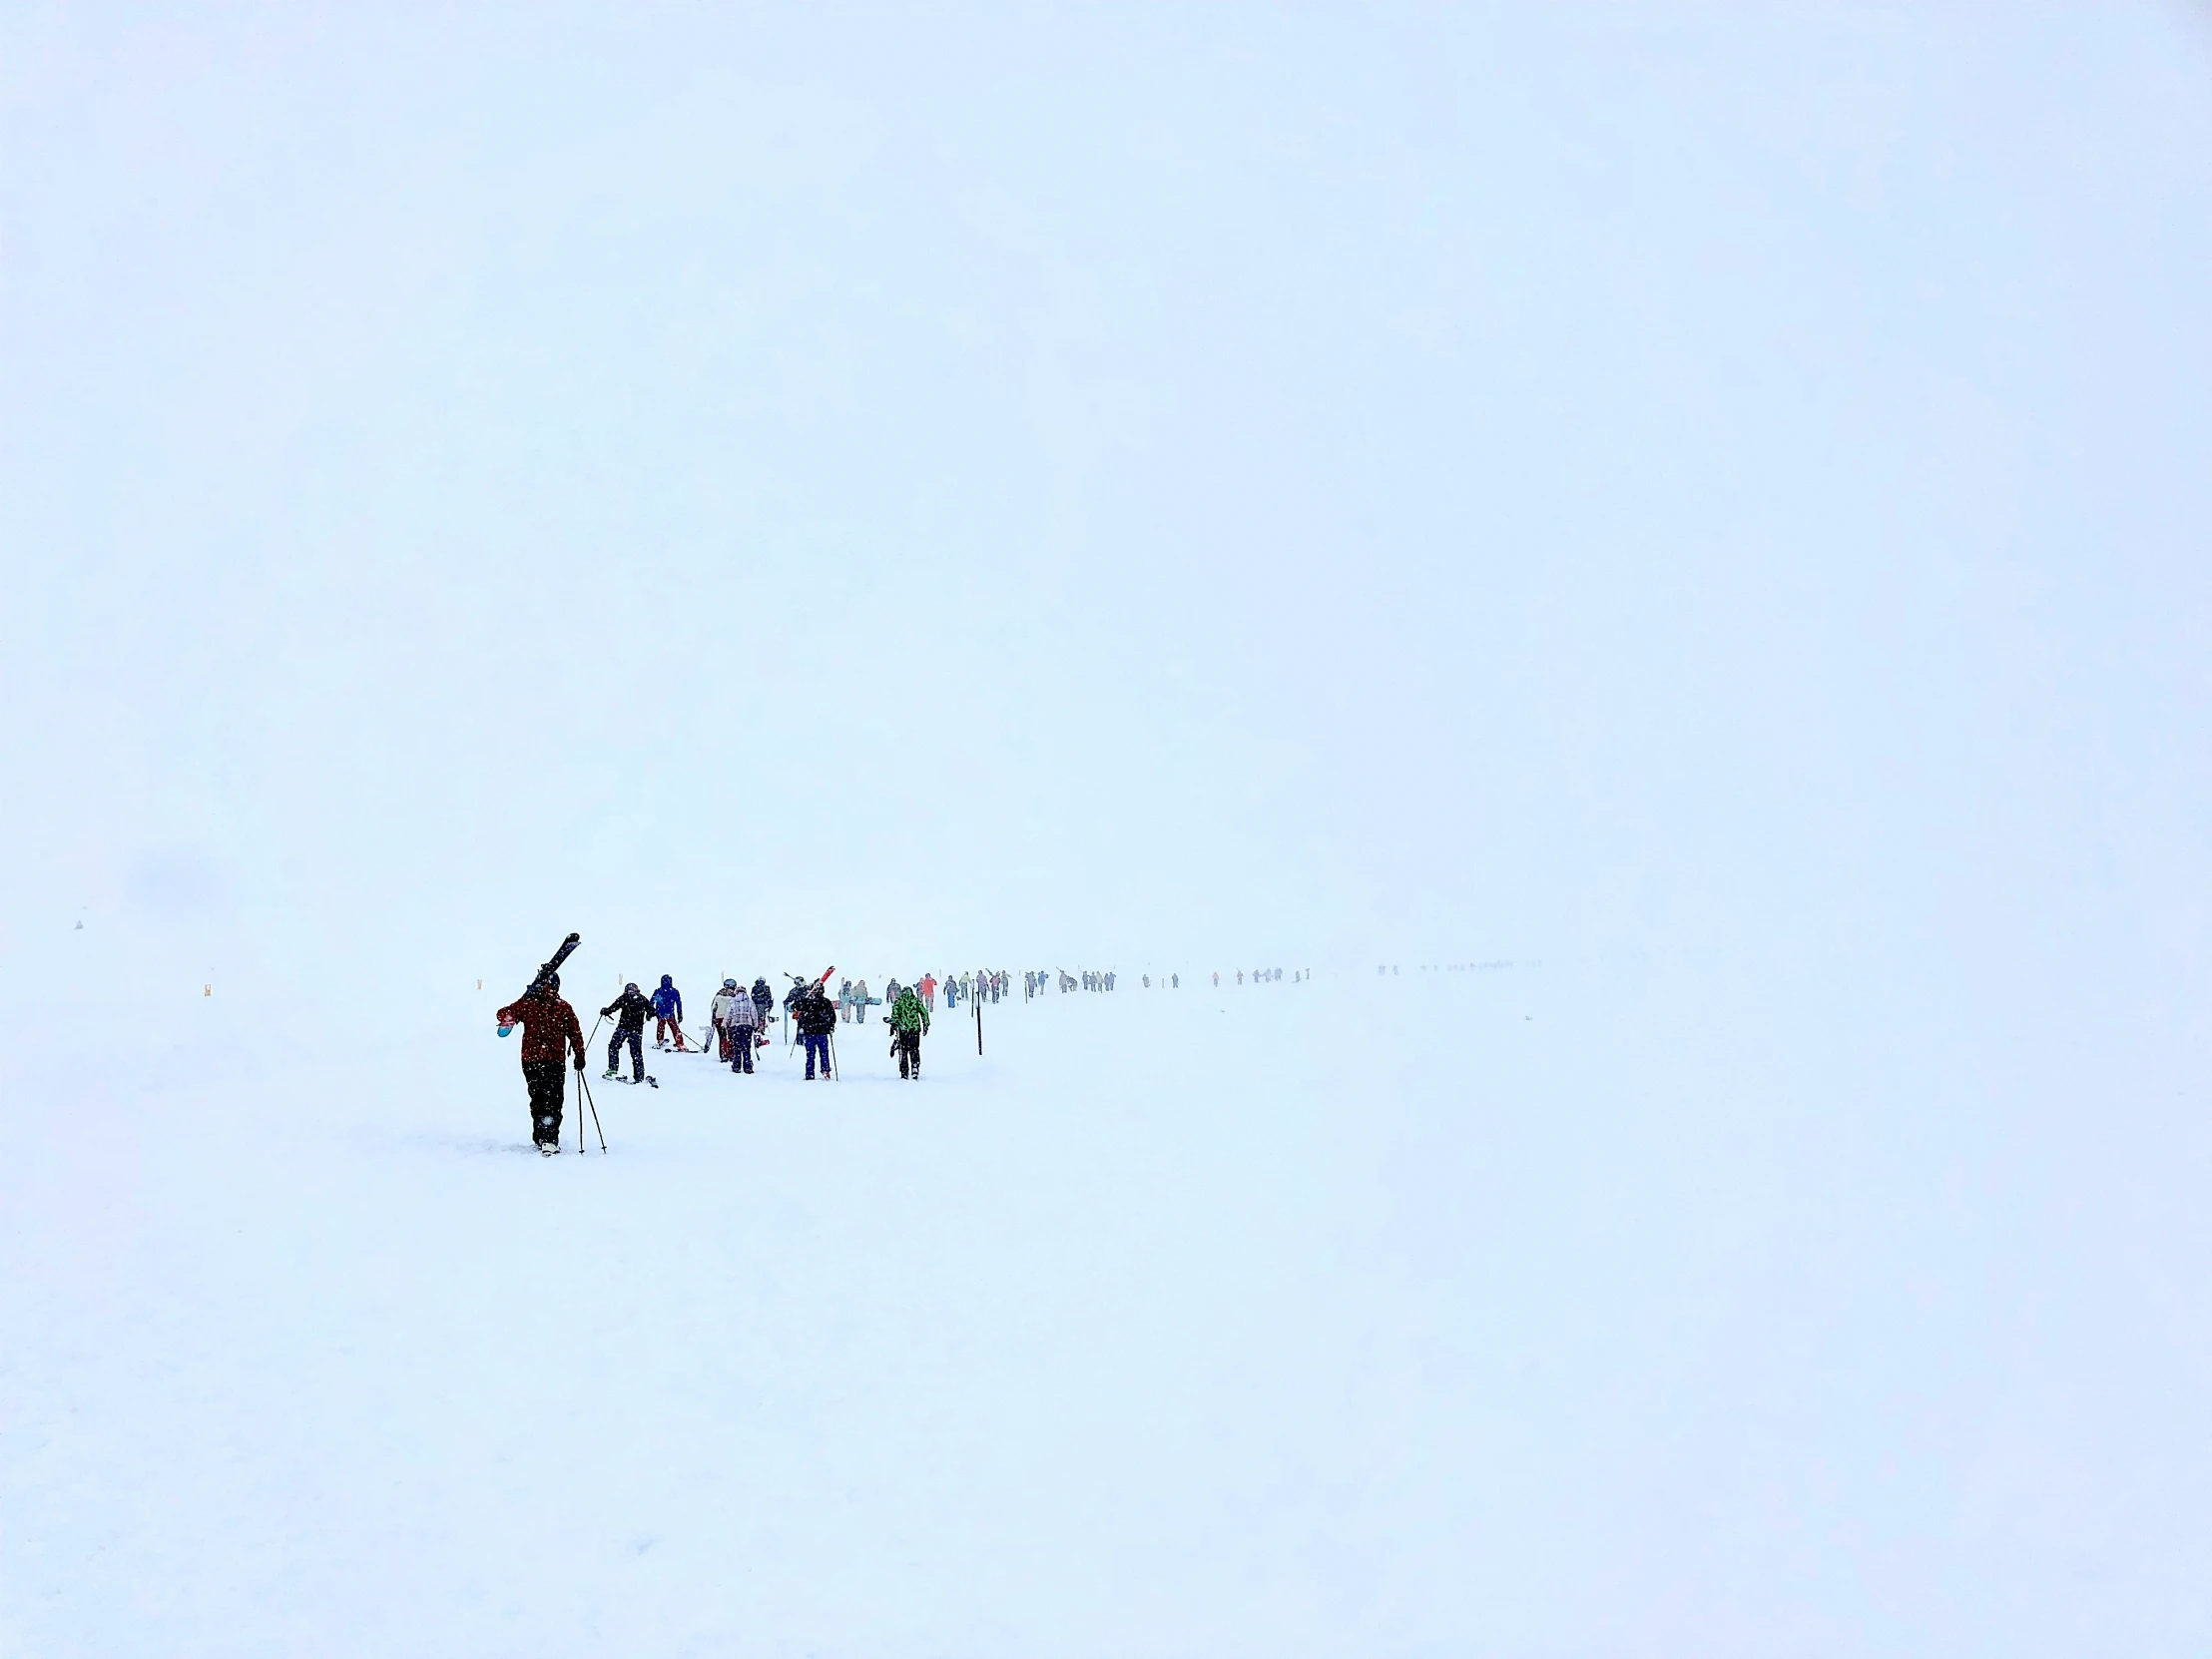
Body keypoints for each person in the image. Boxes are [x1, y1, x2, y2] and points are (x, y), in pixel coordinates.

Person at [496, 972, 586, 1155]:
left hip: (531, 1060)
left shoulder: (528, 1004)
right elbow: (575, 1033)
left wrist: (525, 998)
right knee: (553, 1100)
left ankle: (540, 1136)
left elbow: (502, 1015)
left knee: (537, 1099)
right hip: (554, 1060)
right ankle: (549, 1139)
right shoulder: (563, 1007)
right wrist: (579, 1055)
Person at [601, 981, 653, 1082]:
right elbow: (652, 1010)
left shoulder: (624, 997)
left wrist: (605, 1011)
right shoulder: (642, 999)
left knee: (613, 1047)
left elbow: (613, 1007)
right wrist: (649, 1015)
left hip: (623, 1027)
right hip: (636, 1030)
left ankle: (612, 1069)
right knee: (636, 1053)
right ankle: (639, 1076)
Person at [794, 977, 837, 1079]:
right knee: (823, 1052)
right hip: (820, 1032)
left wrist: (804, 999)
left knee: (811, 1054)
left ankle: (810, 1073)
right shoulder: (825, 1002)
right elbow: (832, 1017)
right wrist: (830, 1026)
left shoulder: (809, 1002)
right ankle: (825, 1070)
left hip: (811, 1032)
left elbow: (796, 1006)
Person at [888, 980, 929, 1079]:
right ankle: (915, 1067)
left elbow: (895, 1016)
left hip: (903, 1030)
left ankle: (904, 1070)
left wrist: (893, 1027)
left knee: (904, 1050)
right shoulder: (915, 1001)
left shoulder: (899, 1003)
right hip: (915, 1030)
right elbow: (924, 1012)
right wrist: (926, 1024)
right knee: (914, 1049)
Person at [729, 977, 760, 1073]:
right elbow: (754, 1014)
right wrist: (755, 1025)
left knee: (736, 1047)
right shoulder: (750, 1002)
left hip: (736, 1026)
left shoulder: (732, 1001)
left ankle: (736, 1066)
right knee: (746, 1047)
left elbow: (728, 1014)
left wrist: (725, 1024)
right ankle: (747, 1067)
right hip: (747, 1026)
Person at [651, 974, 687, 1050]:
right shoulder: (674, 991)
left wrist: (650, 1012)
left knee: (661, 1026)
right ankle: (680, 1043)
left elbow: (652, 1002)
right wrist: (680, 1014)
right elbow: (678, 1004)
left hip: (660, 1012)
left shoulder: (658, 991)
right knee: (674, 1028)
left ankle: (660, 1040)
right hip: (669, 1013)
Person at [710, 978, 741, 1061]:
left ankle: (723, 1054)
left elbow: (713, 1007)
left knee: (722, 1036)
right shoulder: (734, 996)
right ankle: (731, 1054)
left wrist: (714, 1018)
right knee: (731, 1036)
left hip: (719, 1018)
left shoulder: (718, 995)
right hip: (730, 1019)